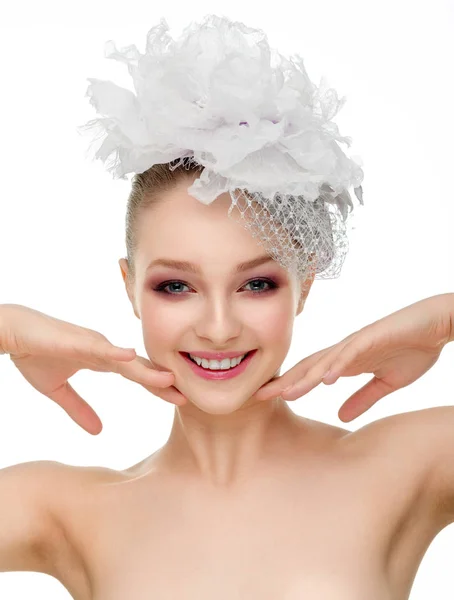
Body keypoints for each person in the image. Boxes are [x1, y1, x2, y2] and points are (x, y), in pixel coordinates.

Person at [1, 13, 454, 600]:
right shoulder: (64, 509)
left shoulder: (406, 466)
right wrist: (6, 330)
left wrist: (447, 316)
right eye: (176, 286)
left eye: (257, 284)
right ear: (130, 287)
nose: (218, 328)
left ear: (305, 286)